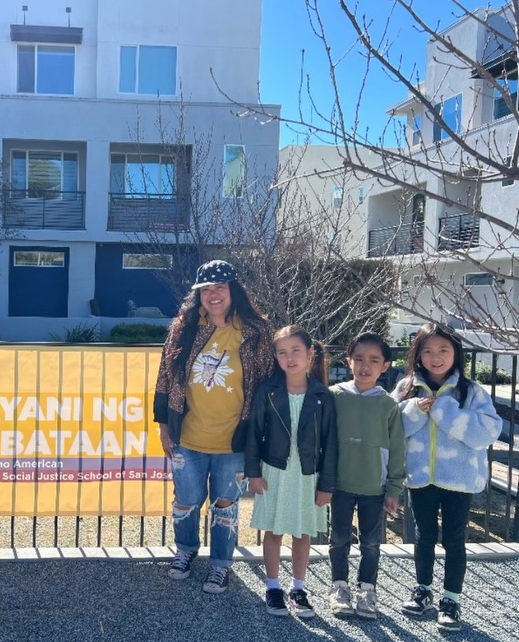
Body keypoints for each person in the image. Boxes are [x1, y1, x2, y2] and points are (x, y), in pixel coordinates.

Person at [153, 259, 272, 594]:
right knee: (186, 500)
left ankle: (220, 564)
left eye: (219, 287)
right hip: (187, 436)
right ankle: (186, 550)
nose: (213, 295)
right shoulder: (184, 328)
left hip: (233, 441)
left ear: (234, 290)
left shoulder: (255, 333)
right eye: (206, 289)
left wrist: (259, 437)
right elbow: (165, 377)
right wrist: (163, 424)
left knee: (225, 504)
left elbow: (264, 384)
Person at [392, 323, 501, 632]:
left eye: (443, 350)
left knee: (454, 540)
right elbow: (390, 428)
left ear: (456, 353)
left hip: (459, 479)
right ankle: (423, 590)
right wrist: (414, 410)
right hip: (420, 477)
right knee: (423, 537)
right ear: (417, 355)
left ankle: (451, 600)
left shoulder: (471, 391)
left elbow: (488, 432)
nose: (435, 357)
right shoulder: (406, 388)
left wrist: (445, 412)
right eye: (427, 351)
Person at [246, 325, 337, 619]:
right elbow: (254, 434)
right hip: (274, 471)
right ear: (275, 356)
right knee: (273, 530)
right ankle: (273, 587)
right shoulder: (268, 391)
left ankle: (298, 588)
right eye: (282, 352)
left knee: (302, 532)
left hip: (308, 474)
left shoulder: (323, 395)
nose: (290, 358)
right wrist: (253, 473)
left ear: (310, 354)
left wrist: (327, 484)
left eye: (296, 350)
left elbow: (330, 443)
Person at [328, 332, 405, 619]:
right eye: (358, 358)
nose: (365, 365)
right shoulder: (335, 396)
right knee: (338, 538)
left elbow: (397, 450)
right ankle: (339, 587)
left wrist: (394, 489)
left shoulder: (388, 405)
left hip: (375, 486)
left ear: (385, 366)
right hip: (339, 484)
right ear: (349, 361)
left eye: (374, 360)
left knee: (372, 543)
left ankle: (367, 589)